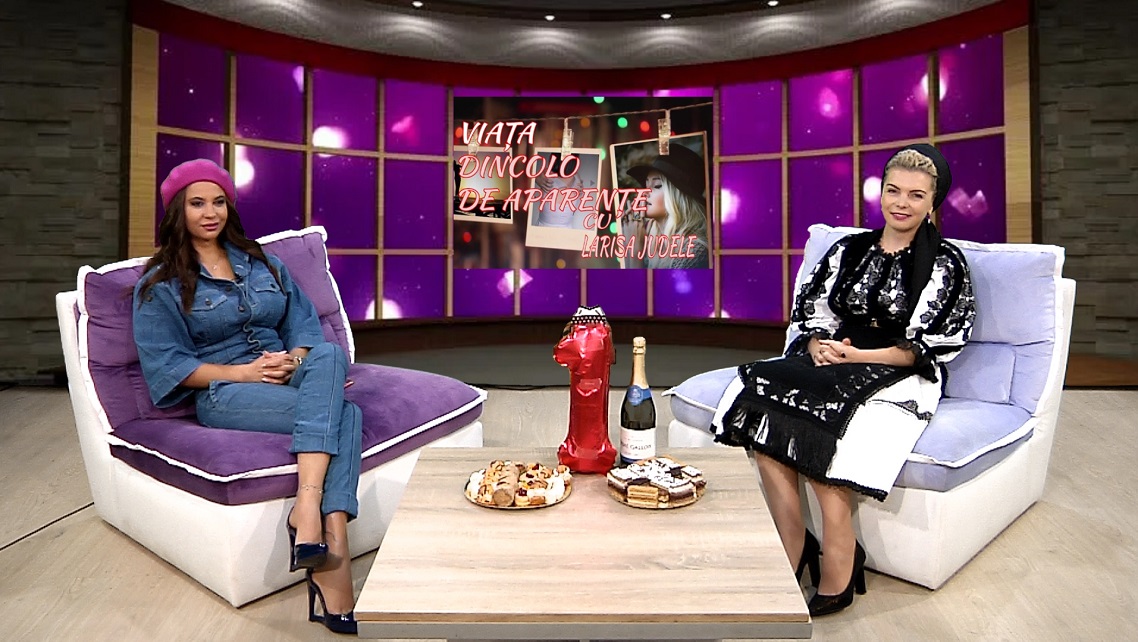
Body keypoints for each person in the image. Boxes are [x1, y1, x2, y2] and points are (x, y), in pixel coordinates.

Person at [710, 144, 975, 616]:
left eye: (916, 195)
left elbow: (928, 346)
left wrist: (855, 355)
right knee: (761, 388)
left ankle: (840, 549)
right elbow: (814, 312)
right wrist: (818, 345)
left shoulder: (945, 263)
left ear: (933, 202)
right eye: (893, 190)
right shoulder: (849, 249)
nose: (901, 203)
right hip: (836, 356)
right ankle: (792, 540)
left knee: (823, 406)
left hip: (897, 368)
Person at [132, 159, 361, 634]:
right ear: (177, 211)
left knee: (329, 356)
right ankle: (332, 545)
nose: (210, 213)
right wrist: (245, 372)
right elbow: (171, 366)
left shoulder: (262, 263)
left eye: (218, 202)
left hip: (287, 372)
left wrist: (292, 361)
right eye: (197, 203)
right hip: (226, 391)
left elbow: (304, 327)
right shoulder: (159, 285)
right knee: (347, 412)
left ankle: (308, 517)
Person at [621, 142, 710, 269]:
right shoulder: (649, 242)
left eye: (657, 186)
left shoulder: (695, 252)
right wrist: (628, 247)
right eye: (646, 185)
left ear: (677, 197)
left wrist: (635, 253)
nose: (644, 192)